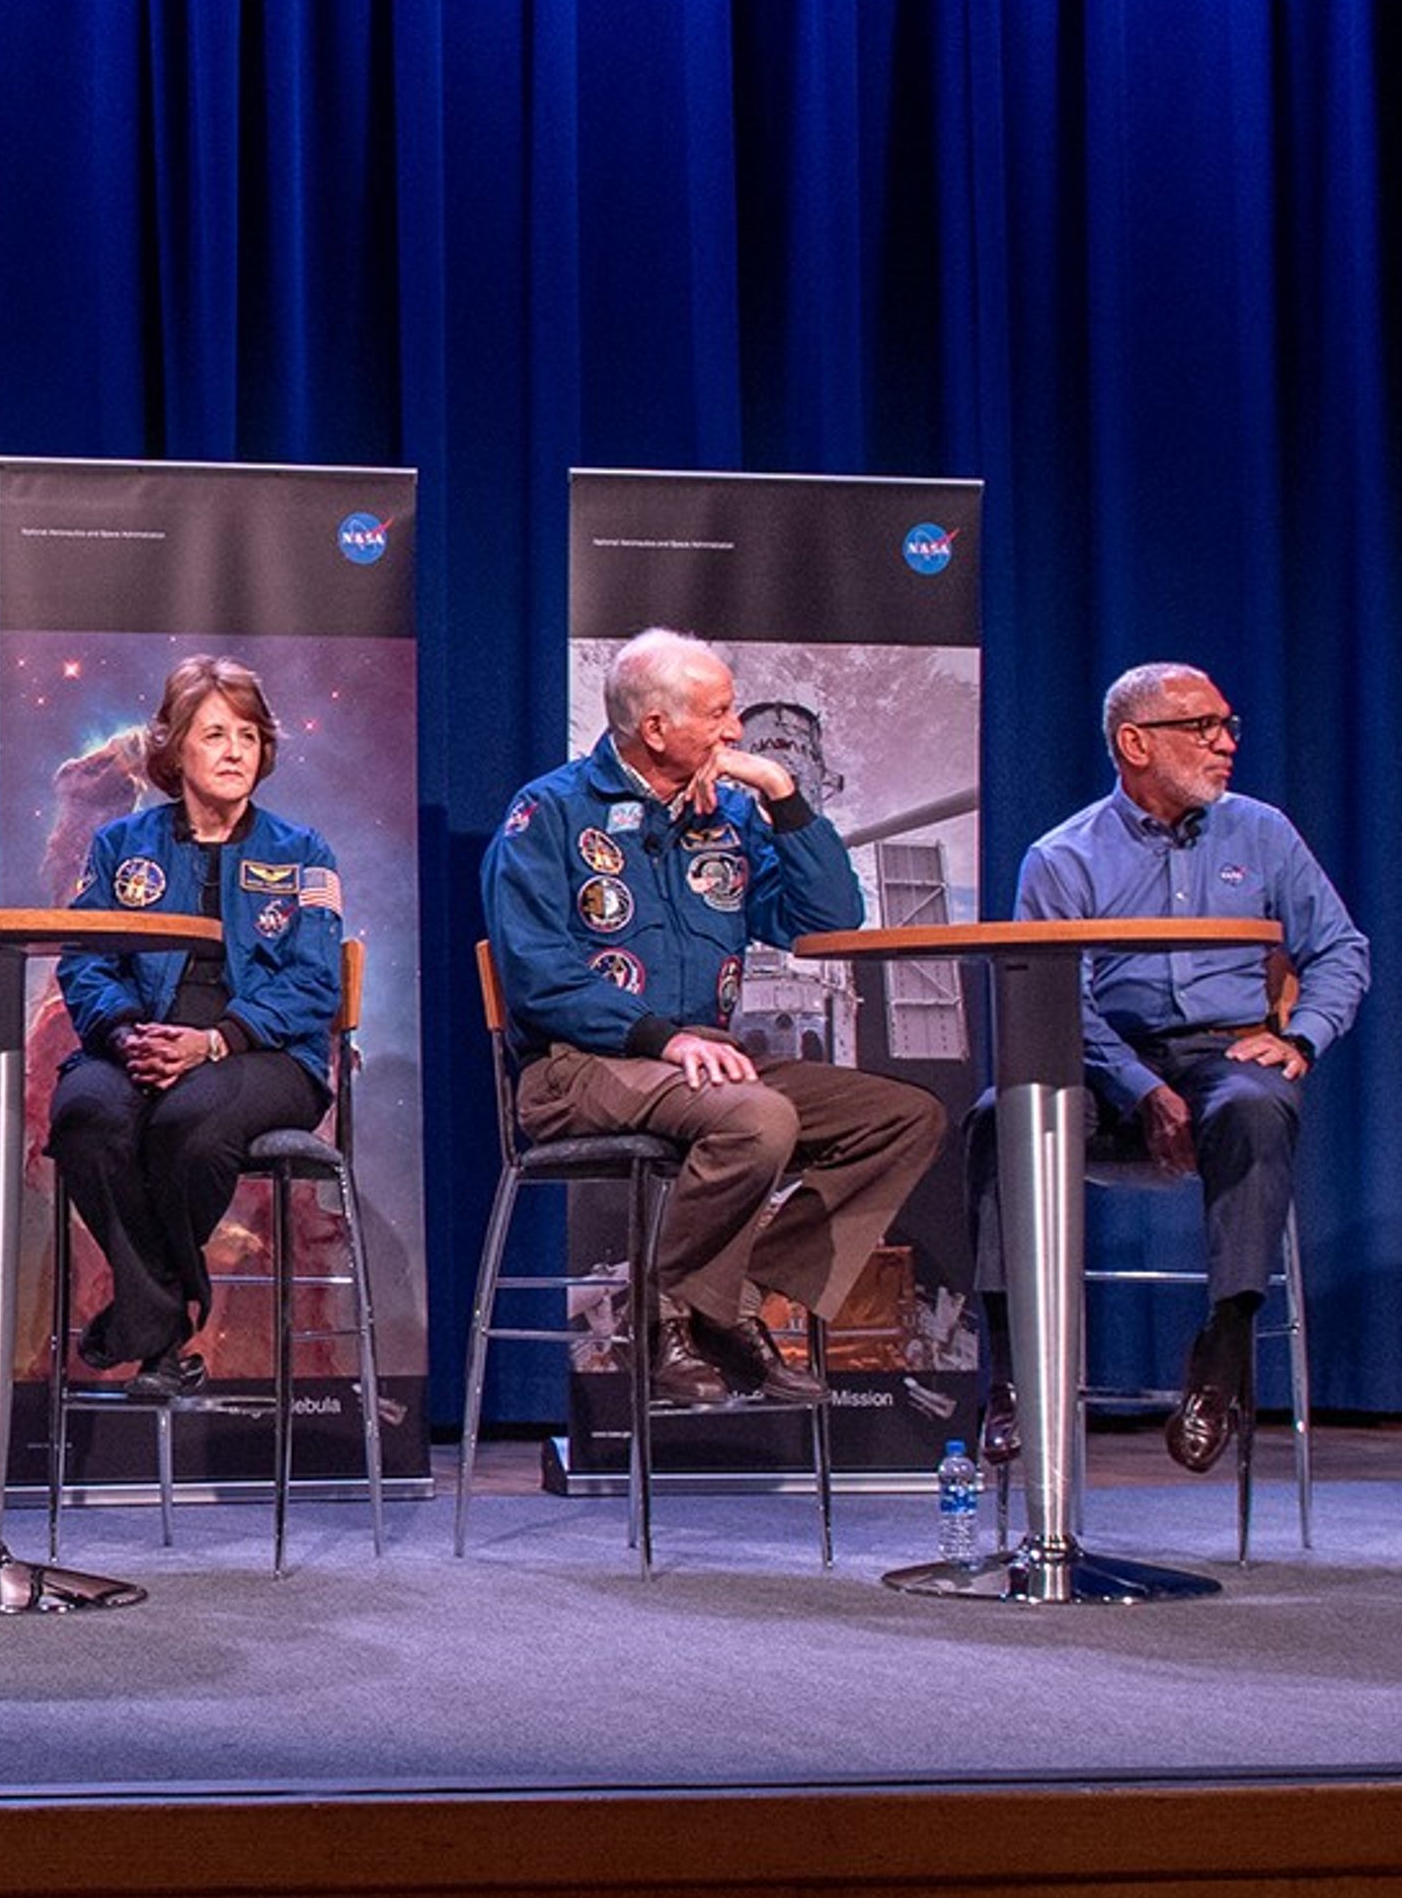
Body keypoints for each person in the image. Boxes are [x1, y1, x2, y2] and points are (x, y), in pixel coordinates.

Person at [482, 627, 945, 1407]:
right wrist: (665, 1040)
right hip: (579, 1066)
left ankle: (728, 1303)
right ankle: (672, 1319)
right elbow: (537, 975)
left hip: (708, 1063)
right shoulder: (552, 813)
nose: (735, 731)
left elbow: (826, 916)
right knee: (757, 1121)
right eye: (721, 713)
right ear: (656, 728)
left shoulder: (727, 815)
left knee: (906, 1118)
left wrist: (780, 793)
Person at [982, 659, 1367, 1470]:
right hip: (1108, 1062)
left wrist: (1302, 1039)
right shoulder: (1063, 858)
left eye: (1229, 727)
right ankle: (1015, 1376)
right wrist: (1145, 1087)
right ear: (1134, 743)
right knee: (996, 1121)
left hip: (1225, 1053)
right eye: (1203, 728)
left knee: (1257, 1104)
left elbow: (1340, 949)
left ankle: (1222, 1358)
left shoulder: (1262, 833)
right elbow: (1059, 1002)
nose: (1226, 744)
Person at [52, 655, 345, 1399]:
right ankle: (165, 1328)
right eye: (215, 735)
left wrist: (214, 1041)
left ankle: (143, 1317)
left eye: (248, 736)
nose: (235, 752)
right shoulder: (121, 847)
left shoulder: (304, 851)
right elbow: (84, 960)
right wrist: (122, 1033)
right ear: (175, 747)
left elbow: (317, 980)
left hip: (264, 1055)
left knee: (189, 1124)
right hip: (137, 1042)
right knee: (86, 1115)